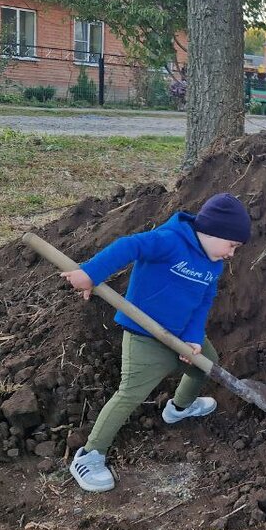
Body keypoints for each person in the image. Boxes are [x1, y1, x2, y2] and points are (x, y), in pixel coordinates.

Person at [59, 193, 252, 492]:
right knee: (130, 394)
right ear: (214, 233)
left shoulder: (213, 264)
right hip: (144, 336)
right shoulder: (169, 241)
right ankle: (90, 455)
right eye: (232, 246)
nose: (232, 254)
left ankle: (179, 408)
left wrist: (192, 339)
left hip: (181, 334)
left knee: (205, 366)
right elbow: (128, 246)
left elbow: (203, 302)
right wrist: (89, 273)